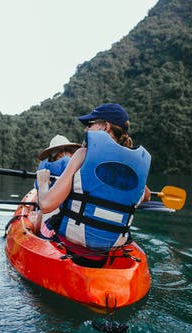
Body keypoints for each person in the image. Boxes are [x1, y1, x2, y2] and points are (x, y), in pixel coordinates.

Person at [36, 103, 151, 267]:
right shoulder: (138, 167)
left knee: (45, 219)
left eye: (90, 125)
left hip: (68, 248)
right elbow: (146, 196)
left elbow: (46, 205)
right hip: (106, 254)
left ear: (106, 127)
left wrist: (42, 184)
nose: (85, 130)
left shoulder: (82, 155)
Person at [32, 135, 81, 234]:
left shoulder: (44, 168)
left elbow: (37, 190)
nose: (72, 155)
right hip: (59, 216)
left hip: (45, 213)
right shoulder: (69, 166)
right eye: (71, 152)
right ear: (61, 154)